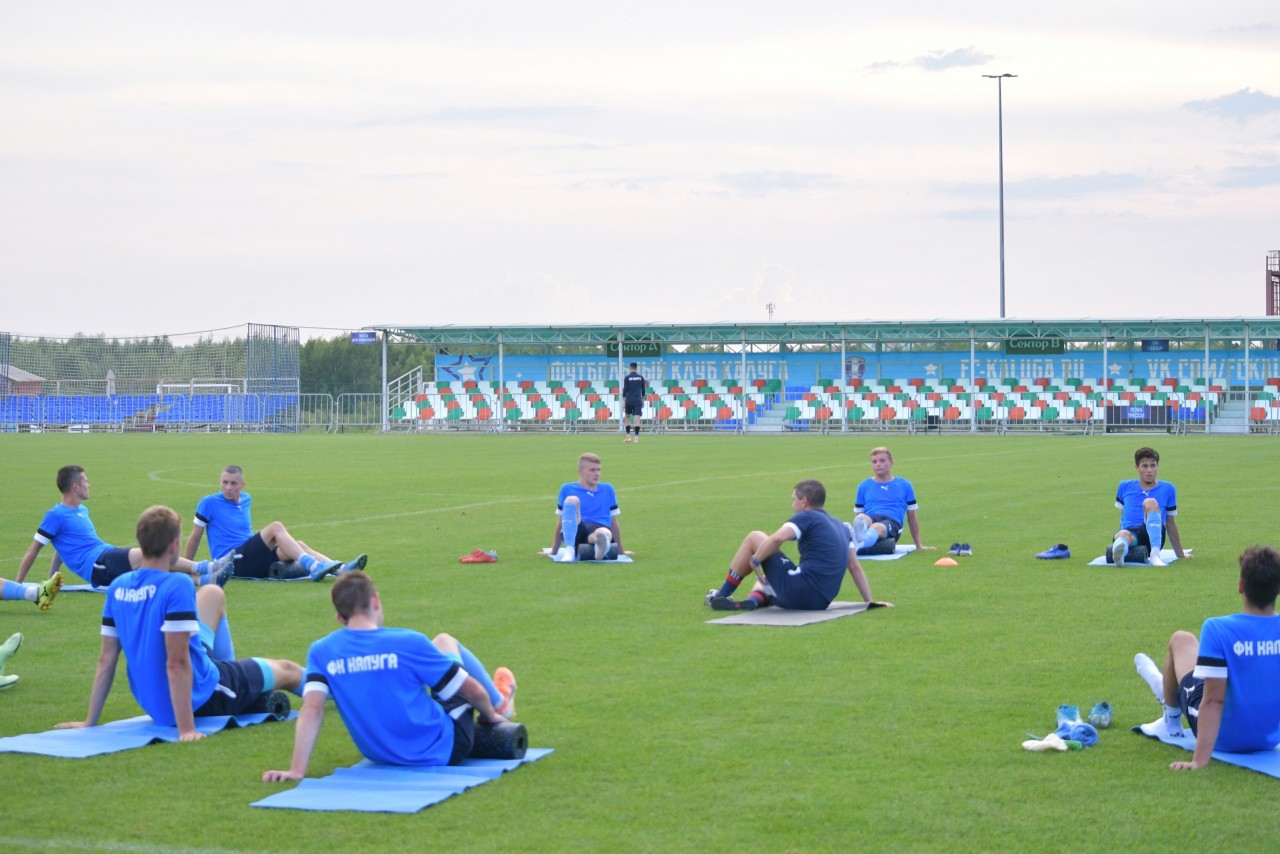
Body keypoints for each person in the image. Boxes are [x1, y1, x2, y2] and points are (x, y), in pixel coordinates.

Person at [57, 505, 303, 740]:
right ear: (174, 546)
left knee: (212, 593)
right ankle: (338, 688)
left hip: (156, 702)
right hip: (203, 696)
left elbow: (106, 659)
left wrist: (90, 721)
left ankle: (226, 667)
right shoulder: (177, 585)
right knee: (288, 671)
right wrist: (186, 728)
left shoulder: (118, 587)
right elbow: (177, 662)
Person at [262, 572, 516, 780]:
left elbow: (312, 709)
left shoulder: (321, 651)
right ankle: (501, 704)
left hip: (380, 754)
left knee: (436, 678)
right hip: (444, 748)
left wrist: (296, 770)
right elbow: (472, 692)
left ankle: (495, 702)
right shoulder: (408, 641)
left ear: (340, 617)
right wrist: (489, 716)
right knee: (444, 641)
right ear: (376, 601)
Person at [1133, 545, 1280, 770]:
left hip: (1224, 738)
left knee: (1181, 640)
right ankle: (1167, 690)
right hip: (1268, 738)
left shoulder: (1218, 628)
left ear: (1241, 586)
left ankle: (1170, 719)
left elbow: (1213, 700)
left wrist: (1199, 761)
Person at [15, 465, 235, 588]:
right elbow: (33, 549)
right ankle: (207, 567)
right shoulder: (55, 515)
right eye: (85, 481)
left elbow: (61, 549)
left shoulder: (81, 510)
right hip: (99, 565)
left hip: (106, 556)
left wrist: (52, 578)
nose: (88, 485)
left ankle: (207, 580)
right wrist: (18, 586)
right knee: (154, 554)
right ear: (75, 487)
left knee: (157, 571)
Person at [703, 479, 891, 611]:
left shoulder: (806, 516)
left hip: (800, 592)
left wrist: (755, 560)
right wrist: (869, 602)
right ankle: (754, 601)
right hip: (820, 602)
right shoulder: (843, 527)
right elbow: (854, 567)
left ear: (804, 501)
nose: (792, 504)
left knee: (756, 537)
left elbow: (777, 538)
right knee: (765, 580)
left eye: (794, 499)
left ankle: (721, 595)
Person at [182, 465, 367, 582]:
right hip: (229, 560)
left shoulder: (246, 499)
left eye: (233, 483)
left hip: (250, 556)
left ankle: (341, 570)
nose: (228, 487)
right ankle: (314, 567)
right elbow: (195, 537)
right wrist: (187, 568)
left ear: (242, 485)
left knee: (299, 545)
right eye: (224, 483)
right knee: (276, 527)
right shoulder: (209, 503)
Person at [1108, 446, 1188, 566]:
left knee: (1150, 502)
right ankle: (1120, 553)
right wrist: (1122, 532)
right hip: (1132, 534)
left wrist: (1180, 554)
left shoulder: (1168, 488)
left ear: (1158, 467)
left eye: (1153, 465)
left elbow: (1170, 523)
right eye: (1145, 466)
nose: (1149, 470)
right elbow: (1123, 515)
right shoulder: (1124, 486)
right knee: (1123, 535)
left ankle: (1155, 555)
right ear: (1137, 468)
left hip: (1154, 534)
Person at [851, 447, 931, 553]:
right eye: (874, 462)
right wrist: (860, 524)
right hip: (871, 517)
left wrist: (918, 545)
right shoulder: (863, 486)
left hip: (892, 522)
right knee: (862, 518)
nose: (878, 464)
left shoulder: (905, 485)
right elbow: (859, 515)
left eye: (882, 461)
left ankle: (859, 543)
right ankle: (860, 538)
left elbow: (912, 517)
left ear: (891, 463)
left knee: (876, 527)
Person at [550, 452, 622, 560]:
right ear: (581, 471)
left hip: (598, 528)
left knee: (604, 532)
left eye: (599, 470)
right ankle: (569, 550)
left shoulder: (608, 489)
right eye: (592, 470)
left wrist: (621, 552)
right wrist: (554, 551)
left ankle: (600, 545)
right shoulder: (567, 488)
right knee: (571, 499)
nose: (597, 473)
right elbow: (561, 521)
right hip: (576, 528)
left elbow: (614, 522)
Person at [622, 362, 647, 442]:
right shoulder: (640, 377)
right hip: (637, 399)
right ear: (636, 368)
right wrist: (642, 400)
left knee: (627, 416)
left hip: (629, 399)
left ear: (630, 368)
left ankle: (628, 436)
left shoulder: (627, 378)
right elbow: (643, 390)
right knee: (637, 417)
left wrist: (623, 401)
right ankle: (636, 437)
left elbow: (625, 390)